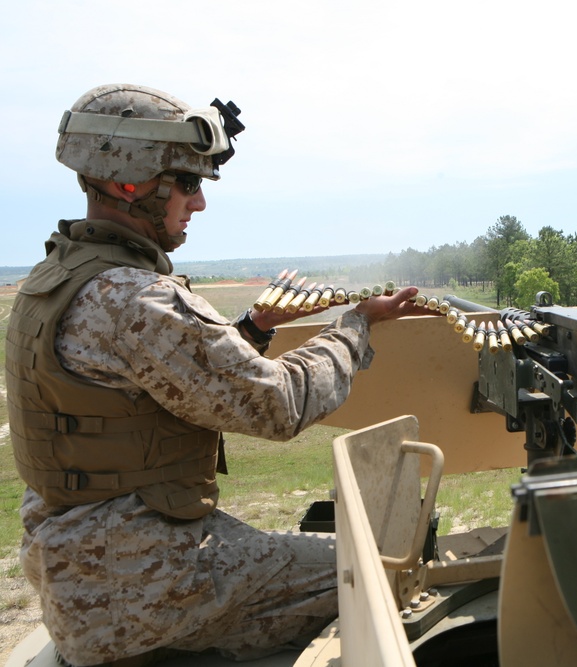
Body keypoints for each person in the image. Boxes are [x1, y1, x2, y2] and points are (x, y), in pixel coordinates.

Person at [5, 83, 423, 666]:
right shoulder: (138, 299)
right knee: (380, 568)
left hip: (85, 570)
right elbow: (280, 404)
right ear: (132, 183)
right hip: (144, 582)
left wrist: (252, 327)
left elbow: (156, 387)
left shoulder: (58, 278)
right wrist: (357, 327)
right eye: (189, 183)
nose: (198, 204)